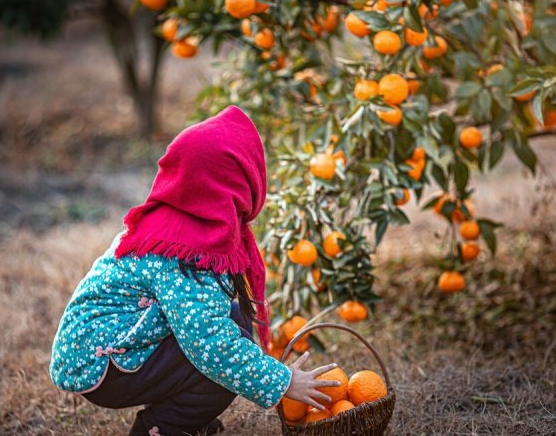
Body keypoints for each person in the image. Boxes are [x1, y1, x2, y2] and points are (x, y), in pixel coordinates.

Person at [49, 106, 339, 436]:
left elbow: (208, 319)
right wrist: (282, 382)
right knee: (220, 364)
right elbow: (211, 343)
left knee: (233, 323)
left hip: (110, 343)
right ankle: (161, 428)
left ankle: (187, 416)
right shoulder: (189, 252)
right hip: (102, 363)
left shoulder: (180, 221)